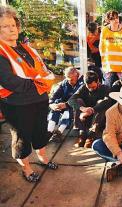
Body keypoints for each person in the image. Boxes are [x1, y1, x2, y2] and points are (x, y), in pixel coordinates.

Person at [0, 5, 57, 182]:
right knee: (22, 137)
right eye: (5, 26)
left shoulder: (26, 47)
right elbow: (9, 81)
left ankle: (42, 157)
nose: (12, 29)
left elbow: (43, 69)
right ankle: (27, 169)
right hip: (17, 104)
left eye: (13, 24)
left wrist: (44, 80)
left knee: (40, 131)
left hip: (38, 99)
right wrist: (39, 84)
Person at [68, 71, 111, 148]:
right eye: (89, 87)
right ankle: (82, 134)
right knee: (78, 101)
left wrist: (92, 110)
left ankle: (91, 136)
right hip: (85, 117)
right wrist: (82, 108)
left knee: (101, 102)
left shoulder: (105, 88)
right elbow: (71, 100)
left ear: (98, 81)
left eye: (93, 87)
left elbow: (108, 102)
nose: (91, 89)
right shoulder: (83, 88)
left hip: (98, 118)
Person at [47, 67, 84, 142]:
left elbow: (79, 98)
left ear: (76, 75)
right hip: (64, 104)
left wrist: (66, 105)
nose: (69, 82)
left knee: (68, 110)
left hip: (78, 105)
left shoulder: (82, 83)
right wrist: (52, 104)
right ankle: (49, 132)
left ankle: (59, 132)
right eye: (68, 79)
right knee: (56, 105)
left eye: (71, 80)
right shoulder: (65, 82)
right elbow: (55, 96)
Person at [99, 10, 122, 86]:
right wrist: (103, 57)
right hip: (109, 66)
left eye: (117, 17)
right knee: (108, 88)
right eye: (113, 18)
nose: (116, 20)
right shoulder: (104, 30)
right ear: (108, 20)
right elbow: (101, 46)